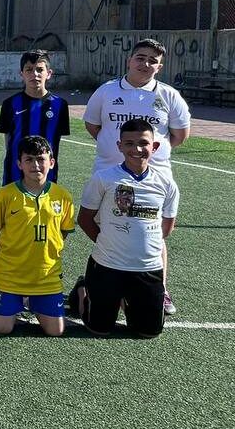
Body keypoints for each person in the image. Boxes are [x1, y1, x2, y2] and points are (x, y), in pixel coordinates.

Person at [81, 38, 190, 314]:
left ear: (160, 67)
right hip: (110, 176)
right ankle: (110, 284)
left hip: (153, 178)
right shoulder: (106, 92)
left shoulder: (169, 96)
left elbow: (179, 135)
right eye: (140, 58)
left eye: (152, 61)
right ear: (129, 60)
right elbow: (92, 125)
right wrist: (116, 154)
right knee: (109, 230)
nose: (145, 64)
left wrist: (150, 157)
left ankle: (159, 289)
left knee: (153, 235)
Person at [72, 118, 179, 338]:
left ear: (155, 147)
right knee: (98, 329)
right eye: (129, 144)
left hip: (147, 269)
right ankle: (83, 289)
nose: (137, 149)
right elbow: (84, 219)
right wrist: (109, 241)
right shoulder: (104, 178)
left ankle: (127, 297)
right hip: (107, 265)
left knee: (148, 333)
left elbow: (166, 229)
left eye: (143, 143)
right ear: (120, 146)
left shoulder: (166, 184)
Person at [0, 136, 76, 336]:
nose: (36, 165)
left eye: (41, 159)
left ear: (51, 162)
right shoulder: (5, 194)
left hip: (46, 276)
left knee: (56, 331)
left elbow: (64, 230)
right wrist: (8, 251)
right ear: (19, 164)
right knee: (2, 328)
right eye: (29, 159)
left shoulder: (63, 196)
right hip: (10, 274)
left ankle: (36, 301)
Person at [0, 49, 70, 185]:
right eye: (29, 70)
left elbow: (56, 141)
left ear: (48, 73)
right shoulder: (10, 104)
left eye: (39, 69)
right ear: (22, 74)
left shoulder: (60, 105)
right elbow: (8, 141)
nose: (34, 74)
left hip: (47, 175)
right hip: (14, 175)